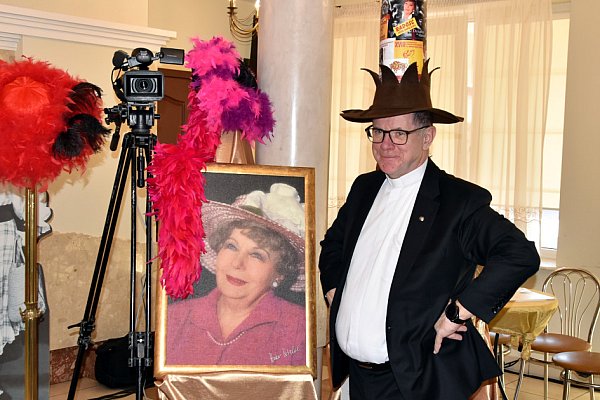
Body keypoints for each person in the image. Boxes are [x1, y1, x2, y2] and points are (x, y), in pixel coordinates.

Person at [319, 60, 540, 399]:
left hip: (414, 382)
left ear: (427, 136)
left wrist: (458, 312)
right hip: (356, 379)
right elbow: (333, 245)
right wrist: (335, 289)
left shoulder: (457, 201)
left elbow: (519, 254)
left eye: (399, 133)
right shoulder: (364, 188)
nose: (385, 144)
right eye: (377, 132)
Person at [167, 183, 306, 366]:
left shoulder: (299, 327)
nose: (237, 263)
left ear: (280, 272)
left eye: (257, 255)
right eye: (232, 246)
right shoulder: (175, 317)